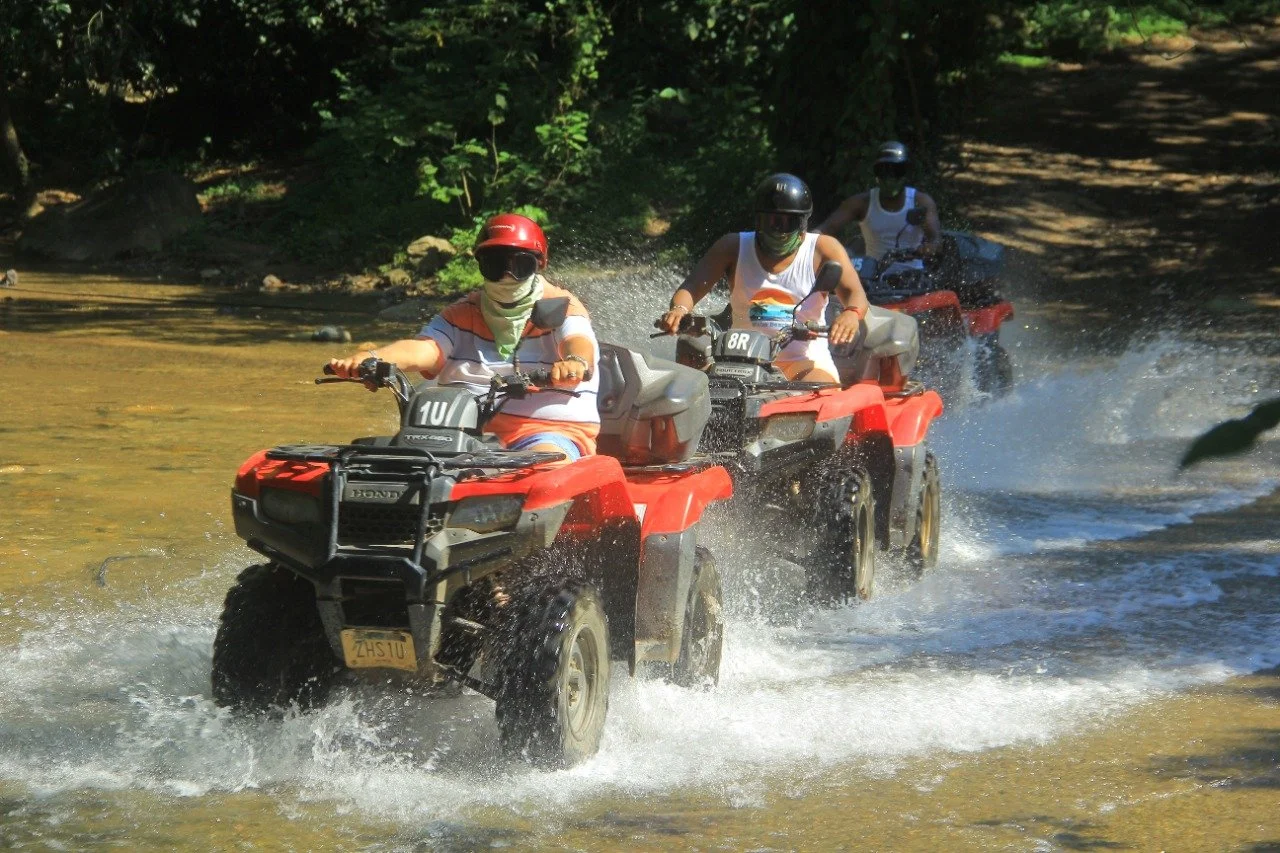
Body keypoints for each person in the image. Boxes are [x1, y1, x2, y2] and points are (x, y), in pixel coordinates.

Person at [328, 213, 600, 460]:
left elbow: (577, 341)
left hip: (548, 434)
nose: (506, 276)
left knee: (541, 468)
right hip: (464, 438)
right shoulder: (460, 314)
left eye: (520, 265)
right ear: (480, 265)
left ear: (540, 263)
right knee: (388, 465)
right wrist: (372, 358)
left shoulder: (564, 308)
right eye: (495, 265)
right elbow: (423, 350)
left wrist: (575, 361)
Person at [656, 173, 869, 384]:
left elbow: (854, 292)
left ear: (802, 224)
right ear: (759, 220)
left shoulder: (823, 249)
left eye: (788, 223)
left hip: (804, 363)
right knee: (700, 395)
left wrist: (851, 313)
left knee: (821, 395)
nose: (779, 231)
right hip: (738, 361)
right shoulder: (732, 246)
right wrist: (680, 310)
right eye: (772, 221)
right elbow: (692, 286)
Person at [816, 140, 943, 274]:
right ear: (876, 175)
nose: (890, 178)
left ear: (905, 174)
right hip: (872, 279)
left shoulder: (921, 201)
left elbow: (936, 240)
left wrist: (928, 249)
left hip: (913, 279)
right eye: (883, 172)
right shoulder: (862, 203)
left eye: (897, 171)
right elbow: (826, 228)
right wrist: (803, 242)